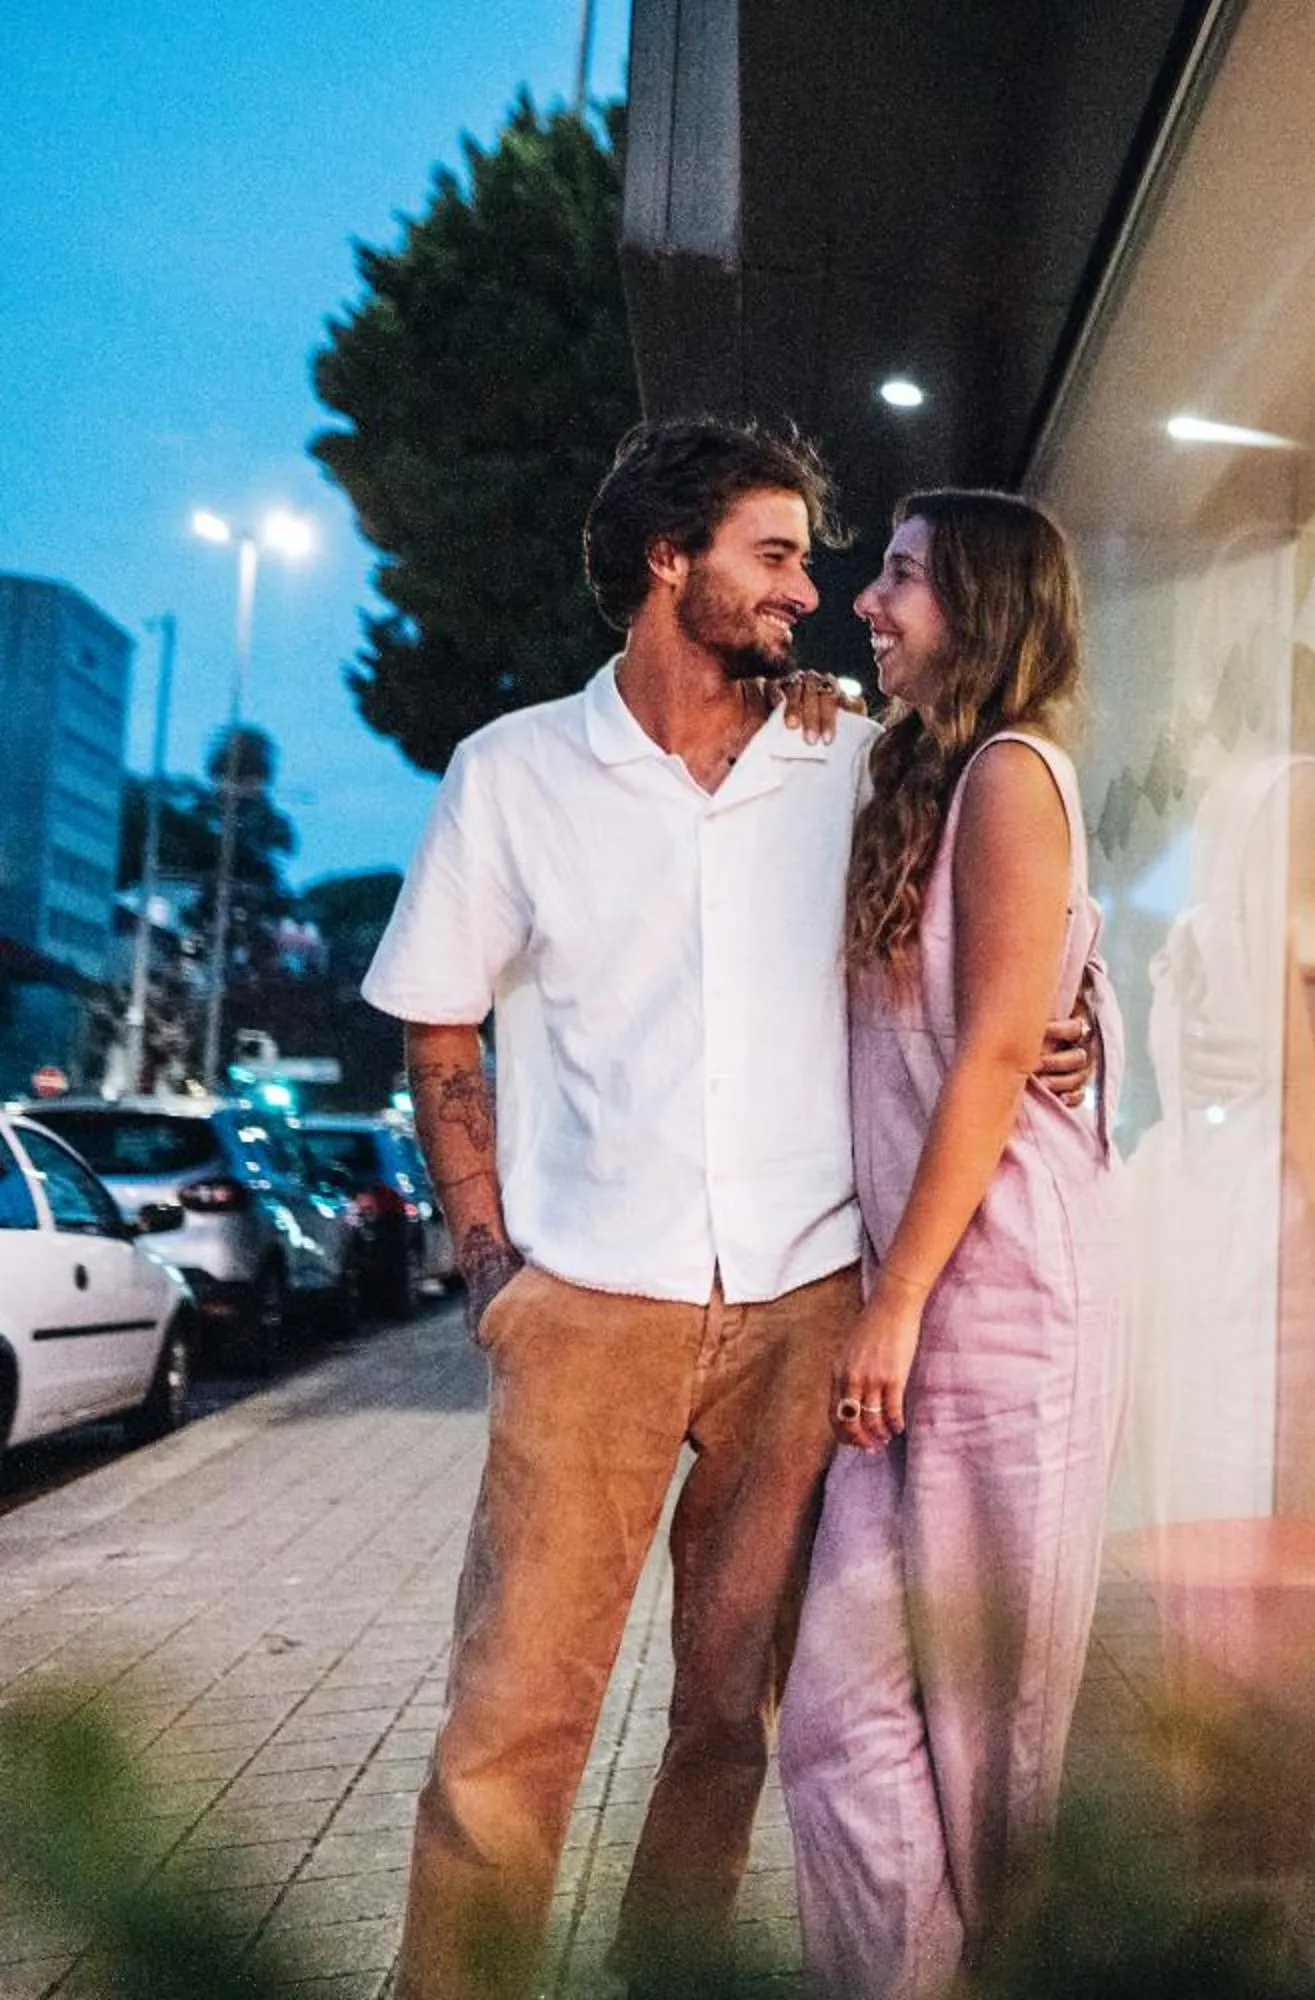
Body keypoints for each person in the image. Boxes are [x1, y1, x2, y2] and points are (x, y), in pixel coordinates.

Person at [362, 420, 1089, 1999]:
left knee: (729, 1718)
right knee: (512, 1722)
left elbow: (984, 933)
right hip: (590, 1306)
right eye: (775, 556)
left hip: (805, 1305)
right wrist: (488, 1265)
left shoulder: (855, 754)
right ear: (665, 560)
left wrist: (1069, 1018)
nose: (810, 592)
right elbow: (438, 1026)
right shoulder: (512, 772)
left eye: (816, 562)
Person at [778, 489, 1127, 1997]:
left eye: (903, 577)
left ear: (982, 608)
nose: (867, 600)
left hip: (1000, 1302)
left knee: (1000, 1751)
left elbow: (993, 1051)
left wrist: (896, 1301)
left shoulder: (1011, 777)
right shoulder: (917, 771)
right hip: (921, 1299)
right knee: (836, 1717)